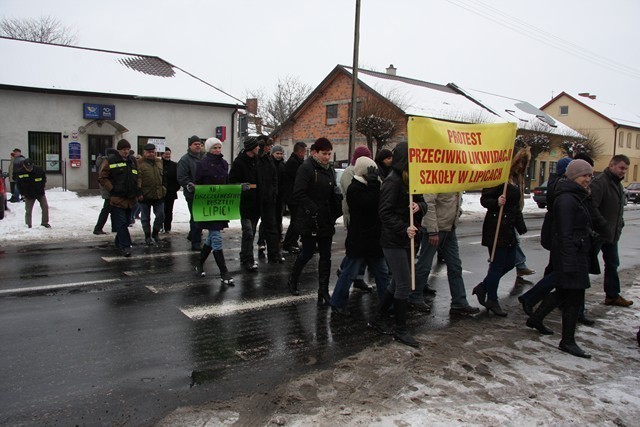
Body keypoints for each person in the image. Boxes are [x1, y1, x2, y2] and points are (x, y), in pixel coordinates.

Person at [525, 159, 597, 358]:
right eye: (585, 175)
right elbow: (564, 232)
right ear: (574, 176)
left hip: (575, 250)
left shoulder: (577, 196)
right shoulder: (567, 199)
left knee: (565, 292)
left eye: (590, 175)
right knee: (574, 297)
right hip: (571, 252)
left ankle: (537, 317)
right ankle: (568, 341)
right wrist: (569, 259)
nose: (588, 179)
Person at [368, 141, 427, 348]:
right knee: (403, 284)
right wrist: (404, 228)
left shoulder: (412, 180)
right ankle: (401, 329)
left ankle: (377, 317)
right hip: (393, 241)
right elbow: (384, 212)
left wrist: (418, 206)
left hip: (407, 240)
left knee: (396, 284)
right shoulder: (392, 181)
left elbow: (424, 203)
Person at [329, 157, 391, 316]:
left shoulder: (367, 186)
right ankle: (337, 302)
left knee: (382, 273)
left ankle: (388, 304)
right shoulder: (355, 188)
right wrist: (374, 184)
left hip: (373, 240)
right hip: (360, 240)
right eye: (371, 172)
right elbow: (370, 204)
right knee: (349, 273)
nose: (375, 176)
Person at [472, 148, 530, 316]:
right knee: (497, 264)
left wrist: (521, 226)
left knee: (511, 262)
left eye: (524, 164)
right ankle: (492, 299)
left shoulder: (515, 179)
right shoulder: (497, 177)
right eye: (519, 162)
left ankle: (483, 286)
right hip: (496, 227)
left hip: (509, 227)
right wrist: (497, 201)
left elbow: (515, 206)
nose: (521, 167)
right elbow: (485, 200)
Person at [287, 137, 342, 306]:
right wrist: (314, 209)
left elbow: (332, 192)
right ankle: (293, 280)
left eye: (329, 154)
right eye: (324, 153)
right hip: (310, 219)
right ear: (315, 152)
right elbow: (298, 194)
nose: (327, 157)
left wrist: (336, 203)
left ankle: (323, 291)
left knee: (326, 256)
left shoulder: (329, 169)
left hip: (326, 219)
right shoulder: (307, 168)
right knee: (307, 253)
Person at [410, 191, 481, 316]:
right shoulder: (439, 176)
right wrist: (432, 231)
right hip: (436, 229)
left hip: (449, 229)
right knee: (424, 265)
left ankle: (459, 302)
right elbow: (429, 204)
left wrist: (457, 215)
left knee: (455, 266)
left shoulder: (455, 177)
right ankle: (415, 297)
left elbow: (457, 200)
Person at [590, 154, 633, 307]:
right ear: (611, 165)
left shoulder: (617, 184)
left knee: (613, 264)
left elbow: (617, 208)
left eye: (626, 169)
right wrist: (602, 224)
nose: (623, 172)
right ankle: (568, 298)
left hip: (611, 234)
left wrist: (619, 224)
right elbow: (592, 208)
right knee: (586, 267)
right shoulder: (600, 183)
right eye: (621, 168)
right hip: (597, 234)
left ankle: (612, 295)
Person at [193, 137, 234, 285]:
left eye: (219, 148)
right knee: (216, 237)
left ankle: (199, 263)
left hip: (220, 205)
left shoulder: (224, 163)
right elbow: (197, 183)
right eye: (214, 148)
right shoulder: (202, 164)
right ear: (209, 149)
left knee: (212, 237)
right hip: (207, 205)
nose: (217, 150)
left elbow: (227, 182)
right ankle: (224, 272)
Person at [337, 145, 374, 292]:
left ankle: (358, 277)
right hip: (353, 215)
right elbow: (352, 194)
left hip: (363, 216)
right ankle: (343, 269)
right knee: (355, 249)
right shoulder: (349, 173)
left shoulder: (367, 171)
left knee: (362, 251)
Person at [98, 139, 141, 257]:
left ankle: (119, 241)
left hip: (130, 198)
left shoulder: (133, 161)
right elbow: (102, 177)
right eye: (123, 149)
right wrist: (111, 188)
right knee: (121, 223)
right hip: (117, 198)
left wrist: (138, 188)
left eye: (127, 149)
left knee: (126, 222)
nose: (126, 152)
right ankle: (126, 246)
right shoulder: (110, 160)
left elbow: (138, 175)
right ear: (119, 150)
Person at [229, 136, 262, 271]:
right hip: (244, 202)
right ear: (251, 148)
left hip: (256, 201)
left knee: (252, 231)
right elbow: (231, 181)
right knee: (248, 231)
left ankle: (244, 254)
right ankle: (248, 259)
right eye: (257, 146)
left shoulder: (257, 161)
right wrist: (241, 186)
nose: (259, 148)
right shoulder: (239, 163)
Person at [255, 136, 284, 263]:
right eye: (268, 146)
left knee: (272, 226)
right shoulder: (257, 159)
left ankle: (274, 253)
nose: (269, 148)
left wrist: (274, 192)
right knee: (252, 228)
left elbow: (274, 178)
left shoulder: (268, 160)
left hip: (270, 198)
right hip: (257, 198)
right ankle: (250, 254)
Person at [177, 135, 204, 251]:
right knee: (196, 217)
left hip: (204, 193)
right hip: (192, 194)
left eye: (199, 144)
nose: (198, 146)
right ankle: (196, 241)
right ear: (190, 146)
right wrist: (189, 185)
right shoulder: (185, 160)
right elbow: (182, 177)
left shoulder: (205, 157)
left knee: (200, 217)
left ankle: (193, 235)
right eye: (195, 144)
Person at [137, 143, 166, 245]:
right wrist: (138, 192)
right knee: (145, 218)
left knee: (161, 215)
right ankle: (147, 236)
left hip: (158, 194)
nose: (151, 154)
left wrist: (164, 188)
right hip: (144, 195)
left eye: (153, 152)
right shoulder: (139, 163)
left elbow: (163, 177)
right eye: (149, 152)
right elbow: (137, 179)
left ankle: (155, 233)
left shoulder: (159, 162)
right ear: (144, 153)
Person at [282, 141, 307, 253]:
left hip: (295, 196)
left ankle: (293, 242)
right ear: (299, 151)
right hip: (293, 197)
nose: (305, 154)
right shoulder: (293, 163)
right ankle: (288, 243)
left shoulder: (297, 162)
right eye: (304, 151)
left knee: (297, 221)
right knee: (296, 221)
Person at [16, 158, 50, 228]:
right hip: (29, 194)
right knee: (28, 210)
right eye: (28, 167)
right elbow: (19, 184)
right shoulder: (20, 172)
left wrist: (42, 186)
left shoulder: (39, 170)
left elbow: (44, 179)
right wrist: (22, 193)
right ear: (24, 166)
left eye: (31, 167)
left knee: (45, 207)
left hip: (40, 192)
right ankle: (28, 224)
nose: (30, 169)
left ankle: (45, 223)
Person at [93, 148, 118, 235]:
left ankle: (115, 227)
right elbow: (105, 177)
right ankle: (98, 228)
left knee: (113, 209)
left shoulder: (104, 161)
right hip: (108, 190)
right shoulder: (106, 162)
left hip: (108, 189)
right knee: (107, 209)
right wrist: (111, 188)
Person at [162, 147, 180, 233]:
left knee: (169, 211)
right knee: (161, 211)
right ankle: (160, 225)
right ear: (162, 154)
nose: (167, 155)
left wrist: (176, 188)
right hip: (160, 192)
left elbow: (178, 178)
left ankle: (167, 227)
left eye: (169, 154)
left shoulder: (174, 165)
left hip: (171, 192)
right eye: (166, 154)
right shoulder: (159, 164)